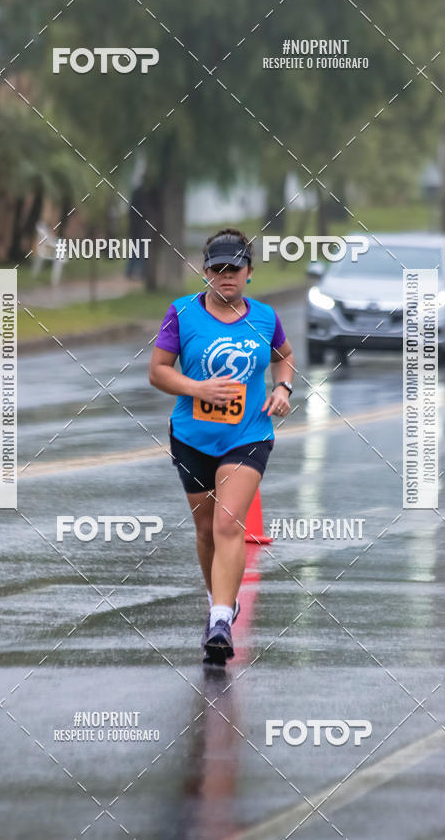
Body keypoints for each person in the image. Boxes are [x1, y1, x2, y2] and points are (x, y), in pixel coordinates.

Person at [149, 228, 295, 665]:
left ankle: (219, 621)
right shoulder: (182, 313)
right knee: (206, 529)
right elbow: (158, 371)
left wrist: (283, 388)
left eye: (235, 268)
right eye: (218, 268)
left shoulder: (265, 318)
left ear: (250, 272)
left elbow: (285, 357)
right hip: (191, 438)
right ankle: (221, 601)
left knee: (228, 524)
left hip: (248, 436)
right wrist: (197, 388)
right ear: (205, 271)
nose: (226, 275)